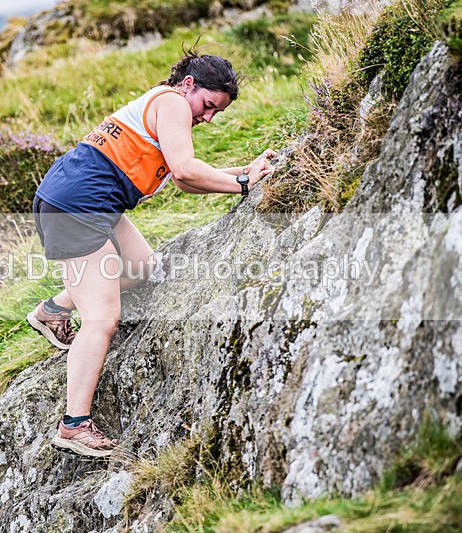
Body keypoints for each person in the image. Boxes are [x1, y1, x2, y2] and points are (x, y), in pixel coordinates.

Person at [27, 43, 276, 458]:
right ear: (189, 84)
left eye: (217, 113)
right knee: (102, 318)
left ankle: (52, 311)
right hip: (78, 204)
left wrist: (245, 172)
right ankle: (73, 426)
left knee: (143, 267)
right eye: (209, 105)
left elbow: (187, 177)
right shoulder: (173, 103)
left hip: (85, 197)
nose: (209, 117)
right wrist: (246, 185)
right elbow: (184, 170)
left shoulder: (164, 104)